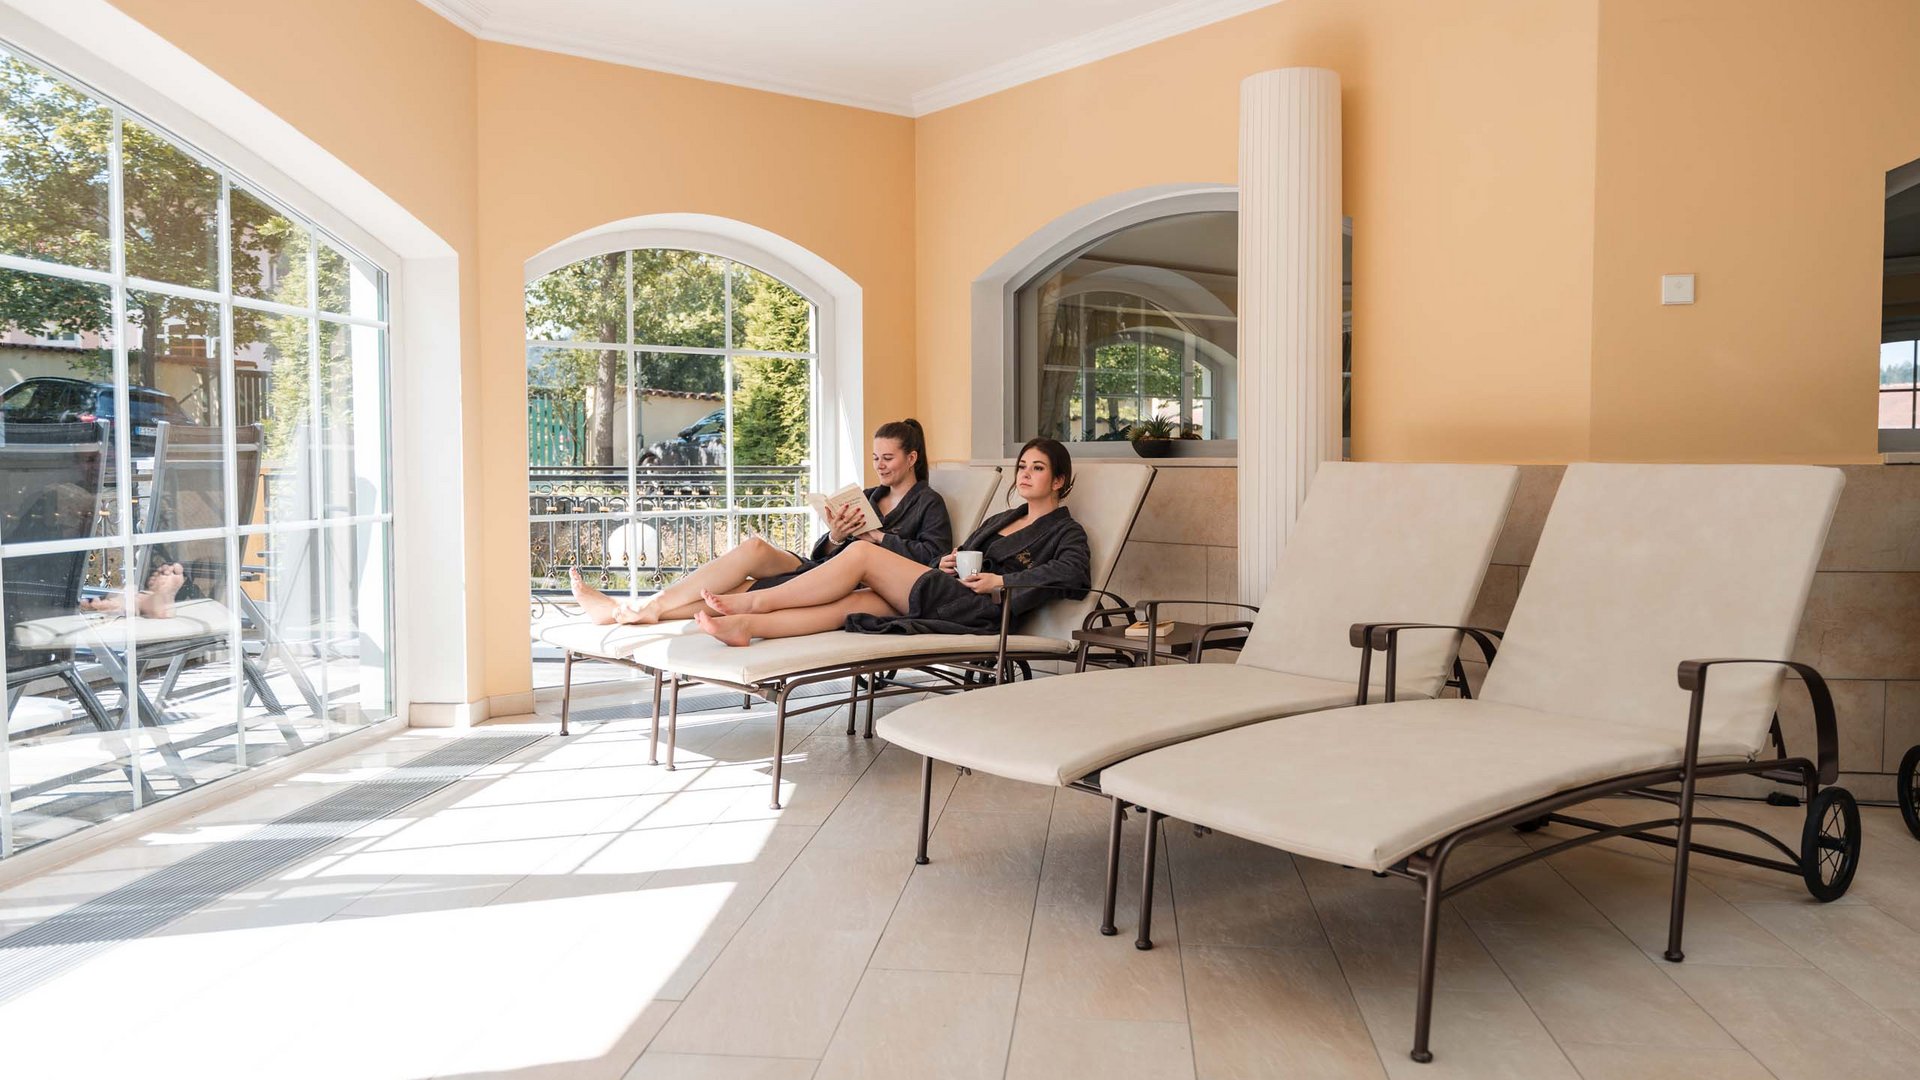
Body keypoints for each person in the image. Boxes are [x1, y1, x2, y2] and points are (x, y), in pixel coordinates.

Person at [691, 438, 1089, 646]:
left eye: (1037, 468)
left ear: (1058, 481)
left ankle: (755, 600)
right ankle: (745, 625)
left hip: (982, 611)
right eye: (1022, 466)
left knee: (864, 551)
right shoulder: (1005, 517)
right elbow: (958, 553)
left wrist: (1001, 583)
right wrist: (947, 562)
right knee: (849, 606)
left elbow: (1074, 572)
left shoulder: (1066, 531)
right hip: (949, 590)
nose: (1025, 474)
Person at [569, 419, 952, 625]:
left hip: (855, 581)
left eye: (887, 458)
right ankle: (650, 604)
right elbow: (827, 551)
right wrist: (835, 535)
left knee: (744, 589)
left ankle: (629, 611)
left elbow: (931, 559)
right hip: (826, 567)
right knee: (754, 547)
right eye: (875, 458)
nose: (880, 465)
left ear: (912, 457)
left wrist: (876, 537)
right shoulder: (869, 496)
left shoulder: (928, 503)